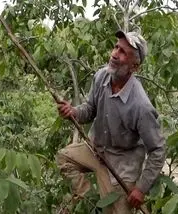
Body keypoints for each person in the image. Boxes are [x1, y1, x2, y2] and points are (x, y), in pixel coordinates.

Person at [56, 30, 166, 214]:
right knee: (64, 158)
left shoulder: (141, 106)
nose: (115, 54)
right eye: (116, 47)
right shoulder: (101, 76)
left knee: (116, 210)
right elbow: (90, 109)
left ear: (135, 66)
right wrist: (73, 112)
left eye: (123, 52)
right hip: (96, 149)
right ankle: (89, 201)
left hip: (121, 166)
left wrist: (141, 188)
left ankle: (105, 201)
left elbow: (158, 149)